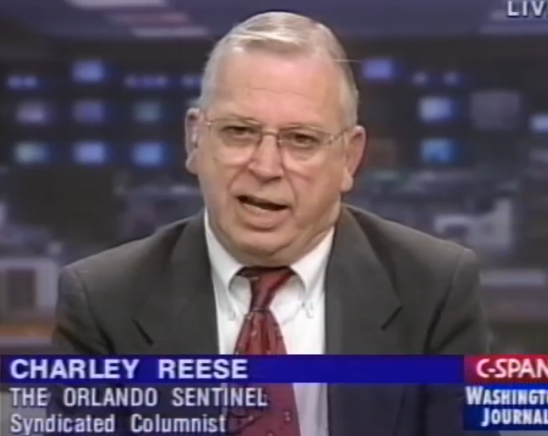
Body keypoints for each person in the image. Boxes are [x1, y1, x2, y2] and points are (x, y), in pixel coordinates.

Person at [52, 11, 496, 436]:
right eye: (239, 132)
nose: (265, 166)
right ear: (195, 139)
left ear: (349, 158)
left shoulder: (433, 289)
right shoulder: (102, 301)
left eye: (301, 139)